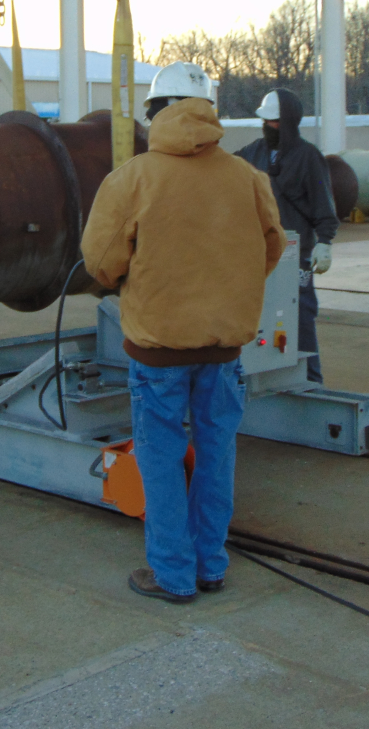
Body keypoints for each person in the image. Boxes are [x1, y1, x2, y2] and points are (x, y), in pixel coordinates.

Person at [82, 64, 285, 604]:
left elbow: (101, 260)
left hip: (158, 350)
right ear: (209, 112)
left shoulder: (132, 178)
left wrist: (135, 282)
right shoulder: (246, 177)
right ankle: (211, 566)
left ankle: (172, 574)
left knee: (162, 457)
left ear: (155, 112)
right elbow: (272, 246)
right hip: (223, 349)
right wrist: (227, 290)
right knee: (217, 451)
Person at [236, 89, 338, 384]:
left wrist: (324, 242)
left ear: (290, 122)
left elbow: (324, 204)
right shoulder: (253, 153)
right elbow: (225, 169)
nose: (269, 126)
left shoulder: (309, 158)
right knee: (260, 318)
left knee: (300, 315)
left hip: (296, 255)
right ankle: (266, 377)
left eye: (275, 122)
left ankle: (310, 381)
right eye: (266, 121)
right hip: (259, 252)